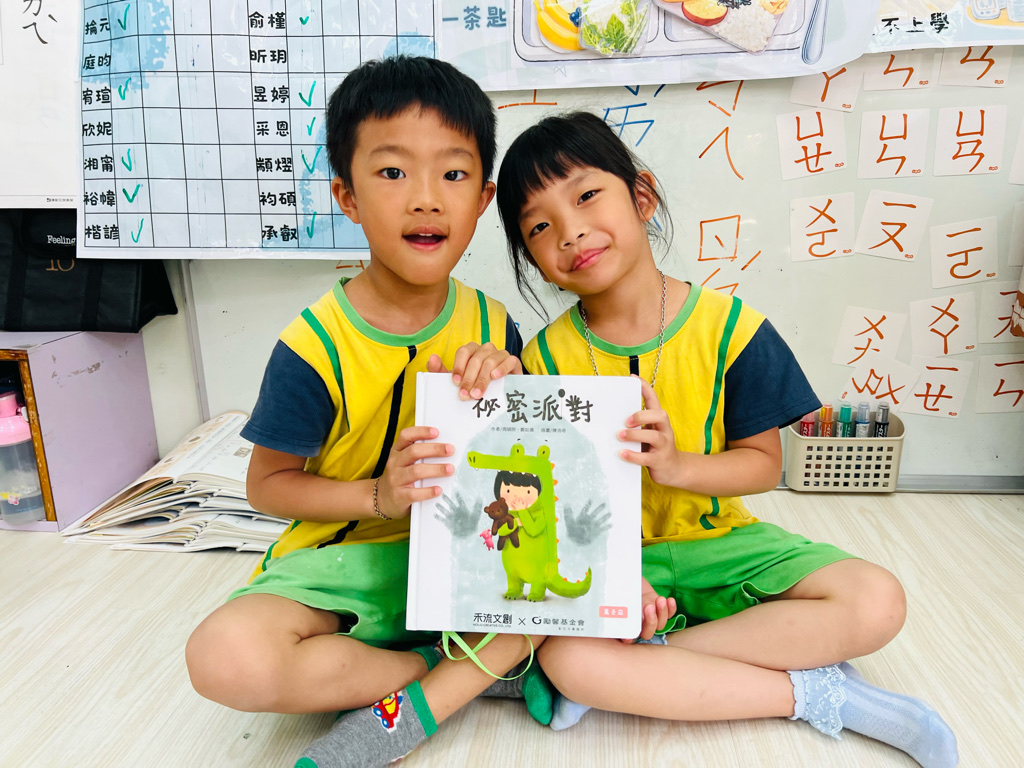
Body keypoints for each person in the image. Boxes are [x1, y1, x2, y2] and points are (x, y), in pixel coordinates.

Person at [494, 111, 958, 768]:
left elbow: (763, 466)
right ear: (535, 261)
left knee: (876, 600)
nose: (569, 231)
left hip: (724, 545)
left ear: (643, 197)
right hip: (619, 562)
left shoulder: (733, 329)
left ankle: (651, 666)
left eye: (587, 195)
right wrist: (615, 579)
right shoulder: (542, 359)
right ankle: (814, 693)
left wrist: (678, 466)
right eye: (539, 227)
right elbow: (550, 499)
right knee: (569, 659)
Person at [185, 57, 550, 768]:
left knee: (587, 600)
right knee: (226, 657)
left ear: (484, 197)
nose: (426, 199)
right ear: (346, 197)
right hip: (342, 567)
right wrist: (379, 496)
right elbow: (268, 486)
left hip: (462, 564)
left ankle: (458, 661)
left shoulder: (492, 324)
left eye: (453, 173)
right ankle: (445, 672)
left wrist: (512, 390)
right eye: (392, 172)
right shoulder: (313, 346)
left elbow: (514, 478)